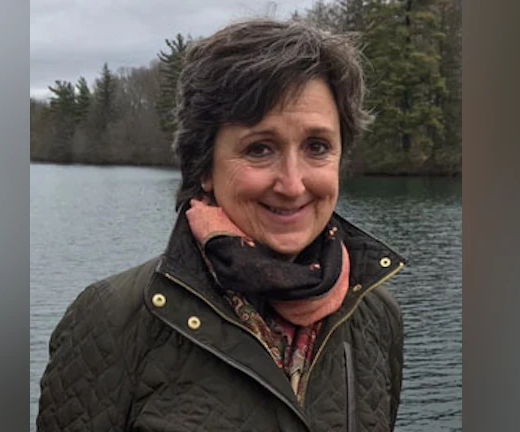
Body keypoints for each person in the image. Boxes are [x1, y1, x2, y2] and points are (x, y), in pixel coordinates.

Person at [37, 18, 406, 432]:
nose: (292, 183)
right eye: (260, 149)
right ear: (205, 166)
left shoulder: (376, 315)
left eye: (317, 147)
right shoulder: (112, 318)